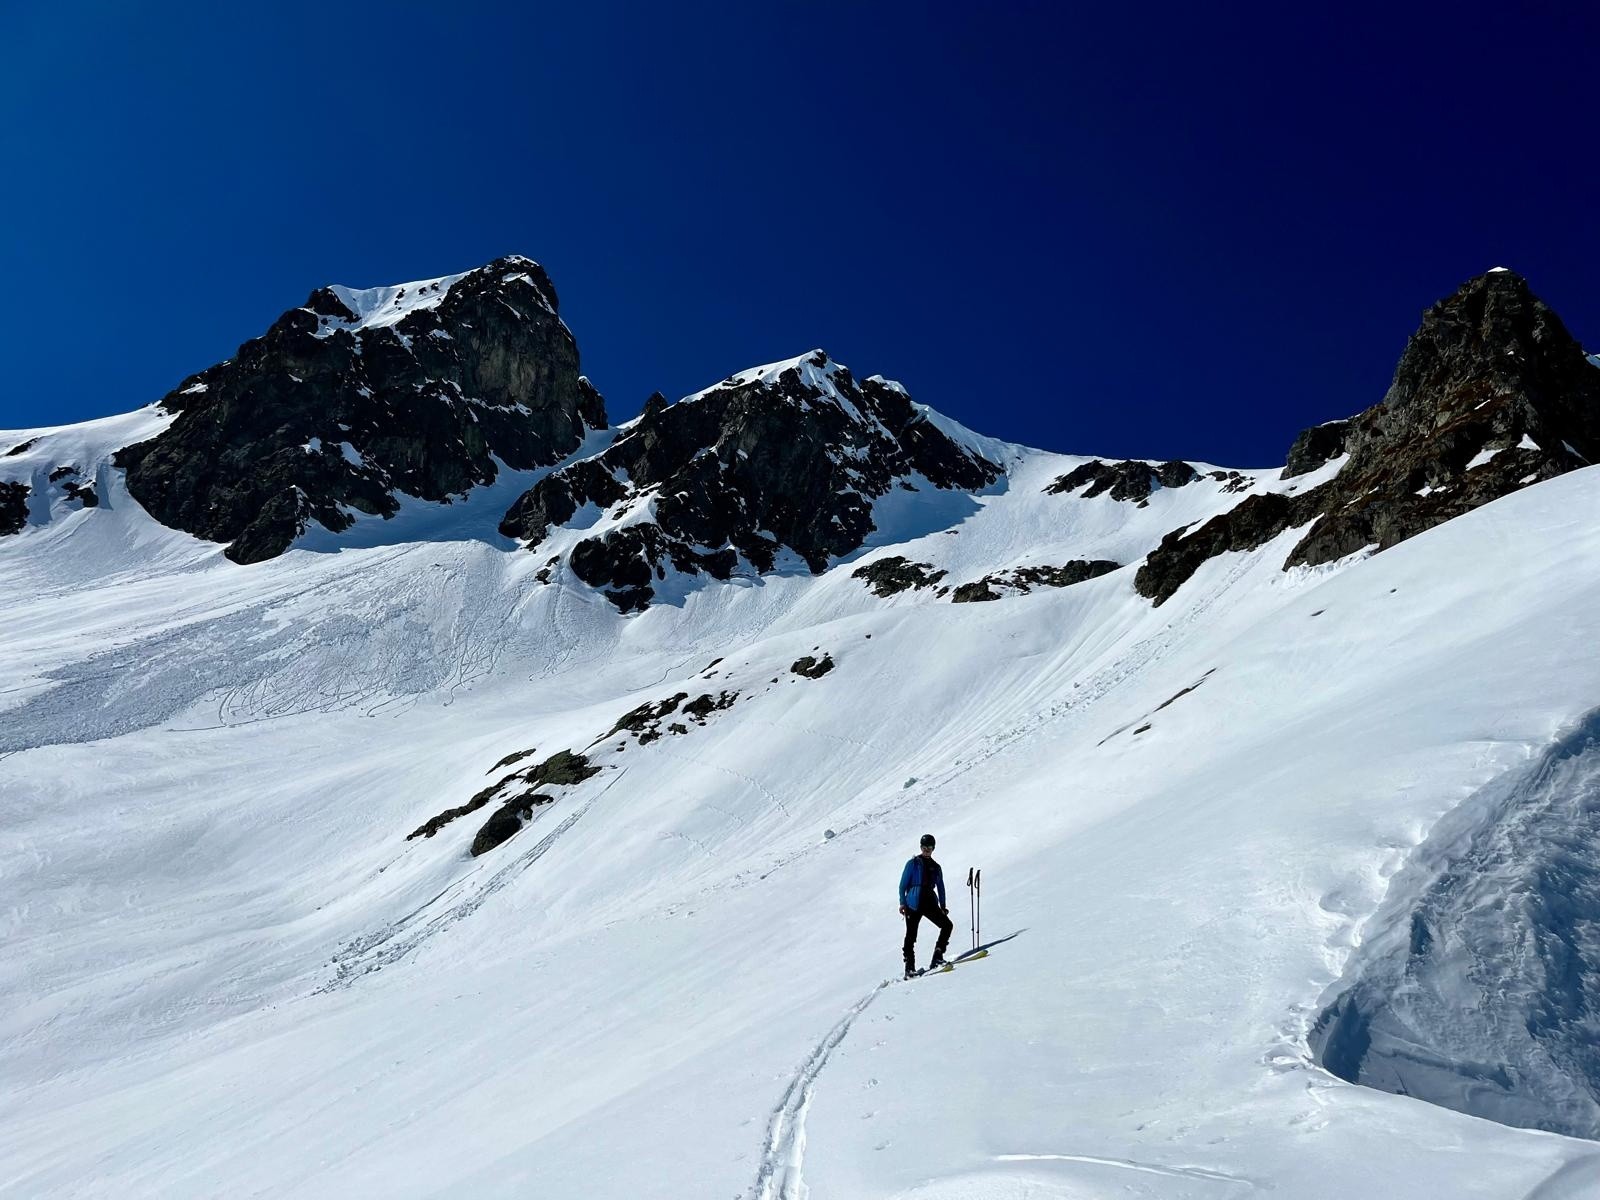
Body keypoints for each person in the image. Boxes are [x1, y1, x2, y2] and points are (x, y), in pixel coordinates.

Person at [899, 833, 952, 978]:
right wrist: (902, 903)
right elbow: (902, 885)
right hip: (913, 903)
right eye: (924, 847)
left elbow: (941, 887)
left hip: (929, 901)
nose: (926, 849)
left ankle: (938, 956)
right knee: (911, 935)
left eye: (929, 847)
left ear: (933, 848)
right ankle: (909, 968)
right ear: (920, 847)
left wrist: (943, 905)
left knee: (947, 925)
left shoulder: (936, 867)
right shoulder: (913, 863)